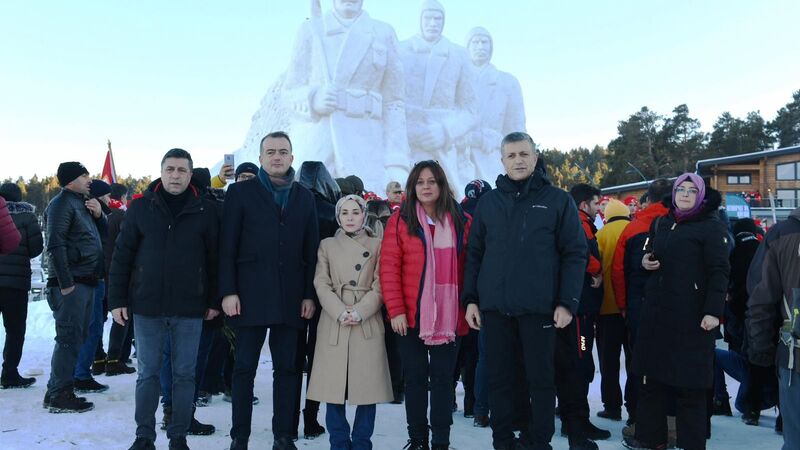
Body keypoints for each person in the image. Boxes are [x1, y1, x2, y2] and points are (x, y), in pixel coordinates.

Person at [462, 132, 587, 450]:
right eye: (511, 155)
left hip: (541, 309)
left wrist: (567, 302)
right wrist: (471, 299)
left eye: (524, 154)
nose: (518, 160)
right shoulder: (488, 203)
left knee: (541, 381)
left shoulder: (558, 200)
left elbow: (575, 253)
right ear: (502, 161)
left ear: (535, 157)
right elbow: (474, 253)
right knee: (500, 380)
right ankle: (502, 441)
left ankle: (538, 442)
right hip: (496, 309)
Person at [108, 149, 221, 450]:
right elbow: (122, 257)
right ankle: (144, 436)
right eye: (170, 169)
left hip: (190, 307)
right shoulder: (141, 208)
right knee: (148, 374)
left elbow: (214, 260)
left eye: (182, 170)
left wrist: (213, 300)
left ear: (189, 174)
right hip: (147, 306)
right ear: (161, 171)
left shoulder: (205, 210)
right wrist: (117, 299)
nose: (175, 175)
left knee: (185, 375)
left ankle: (179, 436)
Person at [219, 131, 319, 450]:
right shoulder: (240, 192)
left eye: (283, 151)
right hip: (248, 296)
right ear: (261, 158)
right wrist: (228, 291)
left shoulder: (304, 196)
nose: (277, 156)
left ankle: (283, 435)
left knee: (287, 370)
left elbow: (311, 250)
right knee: (244, 369)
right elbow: (227, 247)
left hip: (291, 298)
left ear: (292, 157)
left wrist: (309, 295)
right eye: (271, 151)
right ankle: (240, 436)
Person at [623, 173, 730, 450]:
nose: (684, 194)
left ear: (701, 196)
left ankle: (690, 444)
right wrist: (646, 261)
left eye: (691, 190)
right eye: (679, 189)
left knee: (690, 389)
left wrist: (712, 312)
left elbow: (719, 273)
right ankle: (652, 441)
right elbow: (651, 255)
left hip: (692, 320)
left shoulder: (711, 227)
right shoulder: (662, 223)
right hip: (658, 317)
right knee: (652, 384)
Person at [380, 160, 471, 450]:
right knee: (416, 381)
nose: (426, 187)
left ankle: (441, 441)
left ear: (442, 185)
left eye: (432, 181)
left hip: (449, 316)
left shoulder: (460, 220)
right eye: (420, 182)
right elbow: (390, 267)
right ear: (413, 187)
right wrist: (395, 310)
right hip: (410, 316)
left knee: (444, 383)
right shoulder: (401, 220)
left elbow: (470, 267)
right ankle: (418, 439)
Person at [282, 0, 410, 191]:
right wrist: (313, 98)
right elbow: (290, 92)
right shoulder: (311, 29)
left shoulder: (383, 33)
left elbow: (394, 102)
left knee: (368, 211)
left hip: (366, 145)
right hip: (320, 144)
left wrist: (397, 162)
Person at [307, 194, 393, 450]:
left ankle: (362, 443)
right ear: (338, 217)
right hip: (335, 320)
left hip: (365, 320)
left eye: (355, 212)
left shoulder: (378, 244)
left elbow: (381, 283)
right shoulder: (327, 245)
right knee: (332, 389)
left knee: (368, 388)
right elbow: (321, 282)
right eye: (345, 213)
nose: (350, 218)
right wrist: (338, 310)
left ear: (364, 215)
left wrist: (361, 310)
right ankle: (339, 443)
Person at [610, 178, 672, 435]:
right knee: (671, 362)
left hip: (638, 308)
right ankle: (671, 419)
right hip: (673, 308)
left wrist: (624, 306)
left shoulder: (632, 227)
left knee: (638, 362)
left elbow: (617, 271)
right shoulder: (682, 224)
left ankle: (636, 415)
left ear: (649, 198)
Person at [43, 161, 105, 414]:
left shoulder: (83, 203)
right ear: (70, 181)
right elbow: (55, 245)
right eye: (84, 175)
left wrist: (100, 214)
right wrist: (66, 283)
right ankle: (59, 394)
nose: (89, 179)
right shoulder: (60, 204)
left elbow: (103, 236)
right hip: (71, 284)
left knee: (77, 337)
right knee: (68, 338)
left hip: (87, 280)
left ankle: (59, 389)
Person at [400, 0, 478, 190]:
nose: (433, 23)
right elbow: (390, 100)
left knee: (450, 196)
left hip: (443, 145)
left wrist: (446, 132)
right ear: (420, 19)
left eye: (438, 18)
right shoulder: (401, 50)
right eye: (428, 17)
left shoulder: (459, 55)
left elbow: (472, 110)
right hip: (406, 141)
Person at [294, 160, 342, 439]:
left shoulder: (291, 207)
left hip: (293, 294)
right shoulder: (332, 214)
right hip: (326, 296)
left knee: (289, 363)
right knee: (318, 360)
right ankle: (310, 419)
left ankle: (288, 423)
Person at [556, 184, 607, 449]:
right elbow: (582, 255)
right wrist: (597, 271)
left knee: (575, 363)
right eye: (596, 204)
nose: (599, 209)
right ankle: (576, 421)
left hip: (579, 309)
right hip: (579, 312)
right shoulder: (580, 224)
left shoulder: (577, 221)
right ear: (584, 204)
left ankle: (572, 417)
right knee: (579, 363)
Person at [747, 204, 800, 450]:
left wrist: (761, 346)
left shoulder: (780, 234)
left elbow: (760, 295)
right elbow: (761, 296)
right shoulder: (783, 235)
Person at [464, 27, 526, 183]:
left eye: (484, 42)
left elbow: (516, 129)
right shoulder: (455, 80)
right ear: (467, 47)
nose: (480, 46)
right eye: (475, 42)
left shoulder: (507, 82)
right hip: (461, 158)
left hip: (492, 156)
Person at [71, 181, 112, 394]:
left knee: (94, 326)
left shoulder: (100, 215)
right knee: (90, 327)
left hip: (97, 277)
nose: (109, 200)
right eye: (106, 195)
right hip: (87, 278)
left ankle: (80, 372)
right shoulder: (81, 213)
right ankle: (79, 374)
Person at [0, 182, 43, 389]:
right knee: (15, 330)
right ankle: (9, 373)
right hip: (16, 283)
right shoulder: (27, 217)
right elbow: (36, 249)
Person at [458, 179, 493, 427]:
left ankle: (470, 404)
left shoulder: (457, 214)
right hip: (482, 292)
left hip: (458, 292)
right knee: (480, 353)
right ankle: (475, 405)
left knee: (460, 351)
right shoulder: (488, 215)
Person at [594, 199, 631, 422]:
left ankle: (612, 406)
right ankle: (634, 406)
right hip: (631, 309)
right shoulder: (635, 230)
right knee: (634, 358)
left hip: (606, 308)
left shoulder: (601, 234)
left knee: (608, 361)